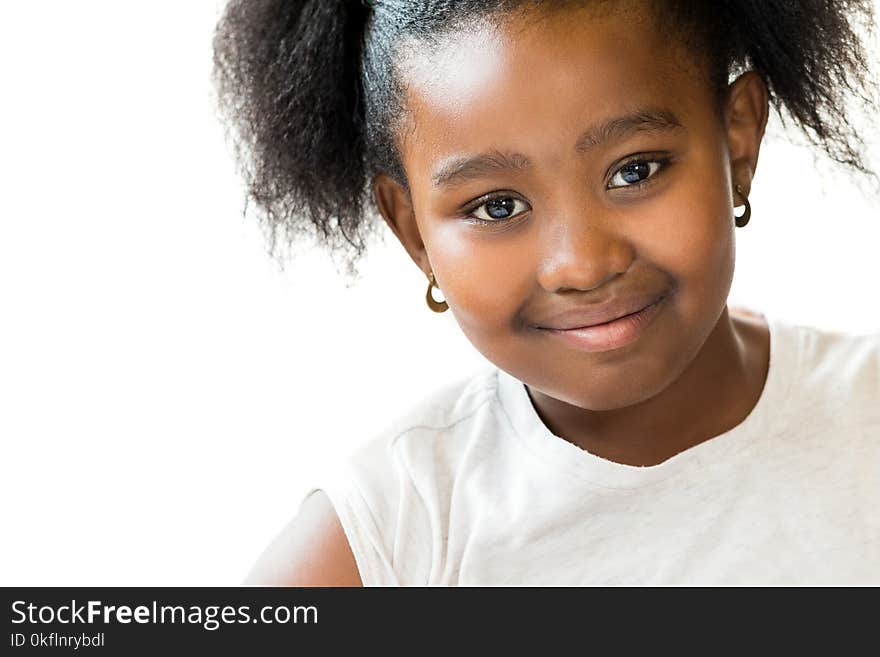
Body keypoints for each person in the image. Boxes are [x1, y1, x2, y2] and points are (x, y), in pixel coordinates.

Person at [212, 0, 880, 585]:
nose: (582, 264)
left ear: (738, 142)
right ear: (414, 232)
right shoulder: (394, 533)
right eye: (498, 207)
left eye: (634, 170)